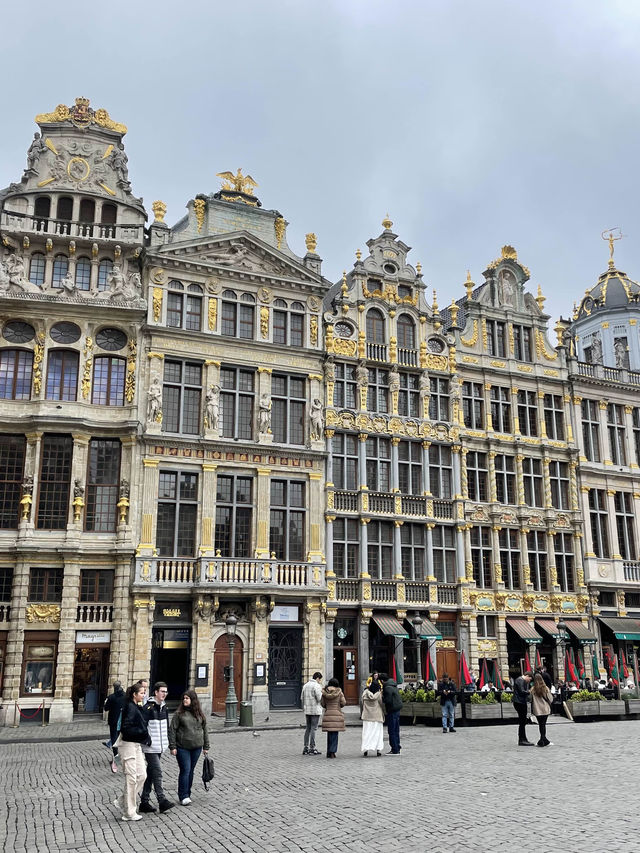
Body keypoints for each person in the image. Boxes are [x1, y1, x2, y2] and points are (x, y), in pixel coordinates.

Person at [113, 681, 150, 822]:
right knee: (132, 778)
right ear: (134, 694)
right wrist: (142, 733)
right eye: (141, 692)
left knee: (142, 775)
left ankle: (123, 801)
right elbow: (126, 728)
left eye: (144, 692)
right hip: (127, 744)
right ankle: (129, 812)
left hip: (135, 744)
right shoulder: (129, 707)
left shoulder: (136, 706)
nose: (144, 694)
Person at [168, 690, 210, 805]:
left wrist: (206, 746)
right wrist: (173, 746)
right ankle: (183, 795)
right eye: (184, 698)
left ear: (193, 700)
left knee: (191, 771)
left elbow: (205, 730)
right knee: (185, 770)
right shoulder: (178, 714)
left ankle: (188, 793)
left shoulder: (200, 714)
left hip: (196, 747)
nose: (185, 700)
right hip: (183, 747)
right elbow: (172, 730)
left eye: (187, 698)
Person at [139, 682, 175, 814]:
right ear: (155, 692)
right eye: (162, 691)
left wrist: (167, 742)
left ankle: (144, 802)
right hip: (150, 747)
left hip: (160, 746)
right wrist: (147, 740)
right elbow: (142, 727)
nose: (164, 694)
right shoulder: (148, 708)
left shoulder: (164, 708)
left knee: (150, 774)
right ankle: (162, 800)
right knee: (158, 772)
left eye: (166, 692)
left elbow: (166, 727)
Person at [103, 680, 127, 773]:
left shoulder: (111, 697)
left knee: (114, 740)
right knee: (122, 741)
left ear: (114, 687)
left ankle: (116, 758)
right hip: (123, 722)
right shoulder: (126, 696)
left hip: (114, 722)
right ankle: (121, 758)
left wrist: (106, 702)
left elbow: (106, 708)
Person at [320, 677, 346, 758]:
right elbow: (343, 703)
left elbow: (323, 704)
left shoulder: (324, 693)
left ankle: (328, 751)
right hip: (337, 715)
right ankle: (332, 752)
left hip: (328, 714)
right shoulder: (339, 692)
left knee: (329, 734)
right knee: (335, 734)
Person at [380, 672, 403, 755]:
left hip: (392, 710)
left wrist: (382, 698)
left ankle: (394, 749)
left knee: (392, 730)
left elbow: (388, 700)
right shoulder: (393, 684)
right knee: (396, 729)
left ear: (382, 681)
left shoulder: (387, 688)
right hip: (397, 709)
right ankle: (397, 746)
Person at [361, 678, 384, 757]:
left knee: (366, 733)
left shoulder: (365, 694)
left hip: (367, 716)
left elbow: (362, 703)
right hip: (377, 716)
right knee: (377, 734)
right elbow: (381, 704)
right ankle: (378, 750)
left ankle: (366, 749)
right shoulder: (378, 695)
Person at [301, 671, 323, 755]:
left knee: (308, 728)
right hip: (315, 710)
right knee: (314, 728)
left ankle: (305, 747)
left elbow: (302, 697)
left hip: (307, 710)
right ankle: (312, 747)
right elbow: (319, 698)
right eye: (320, 679)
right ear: (318, 678)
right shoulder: (317, 686)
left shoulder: (305, 685)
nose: (320, 681)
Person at [531, 673, 553, 747]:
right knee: (543, 724)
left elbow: (529, 698)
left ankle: (542, 739)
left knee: (540, 724)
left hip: (537, 709)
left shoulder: (533, 689)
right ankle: (543, 739)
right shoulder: (545, 688)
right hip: (545, 708)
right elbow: (550, 698)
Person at [513, 672, 534, 746]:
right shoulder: (520, 680)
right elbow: (522, 691)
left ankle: (523, 738)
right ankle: (522, 739)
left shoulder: (520, 680)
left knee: (523, 721)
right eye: (530, 679)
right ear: (527, 676)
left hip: (520, 702)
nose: (529, 681)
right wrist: (529, 691)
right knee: (522, 721)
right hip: (519, 702)